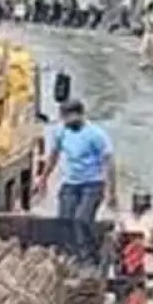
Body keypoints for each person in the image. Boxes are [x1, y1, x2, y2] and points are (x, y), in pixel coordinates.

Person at [38, 100, 115, 263]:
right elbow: (54, 156)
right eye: (63, 118)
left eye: (68, 117)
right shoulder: (61, 132)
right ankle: (69, 255)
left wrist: (110, 191)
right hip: (71, 182)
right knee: (65, 219)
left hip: (93, 183)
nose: (65, 121)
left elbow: (108, 162)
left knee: (82, 219)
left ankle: (89, 256)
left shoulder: (95, 135)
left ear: (79, 115)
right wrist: (43, 178)